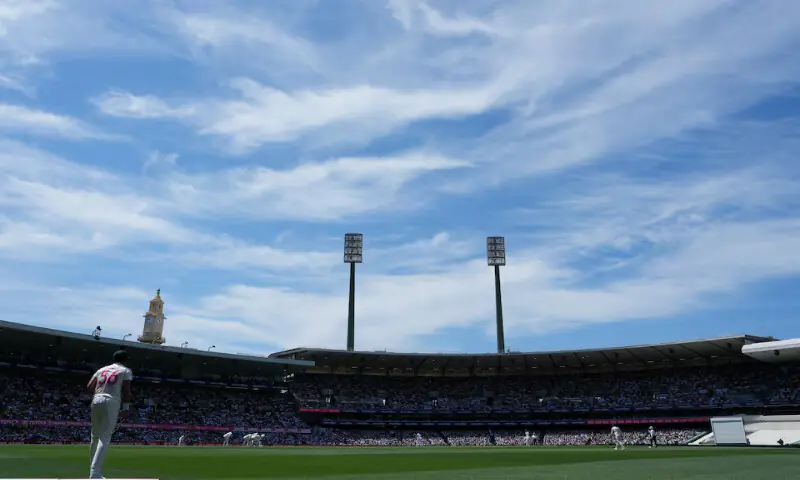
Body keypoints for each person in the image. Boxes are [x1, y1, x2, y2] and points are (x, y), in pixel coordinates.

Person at [87, 350, 133, 479]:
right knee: (104, 437)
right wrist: (126, 407)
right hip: (111, 400)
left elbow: (90, 386)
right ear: (125, 359)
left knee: (94, 436)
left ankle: (92, 470)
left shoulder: (102, 369)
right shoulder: (126, 371)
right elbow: (126, 391)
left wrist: (99, 394)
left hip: (96, 398)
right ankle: (95, 473)